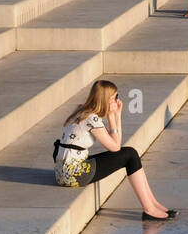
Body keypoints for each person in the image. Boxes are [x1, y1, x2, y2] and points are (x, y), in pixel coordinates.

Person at [54, 79, 174, 220]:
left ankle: (153, 203)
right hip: (75, 174)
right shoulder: (92, 119)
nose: (118, 100)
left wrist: (115, 115)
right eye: (115, 97)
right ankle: (149, 208)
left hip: (64, 171)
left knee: (130, 153)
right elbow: (115, 147)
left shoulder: (81, 111)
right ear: (107, 100)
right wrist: (114, 116)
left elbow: (115, 144)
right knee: (130, 155)